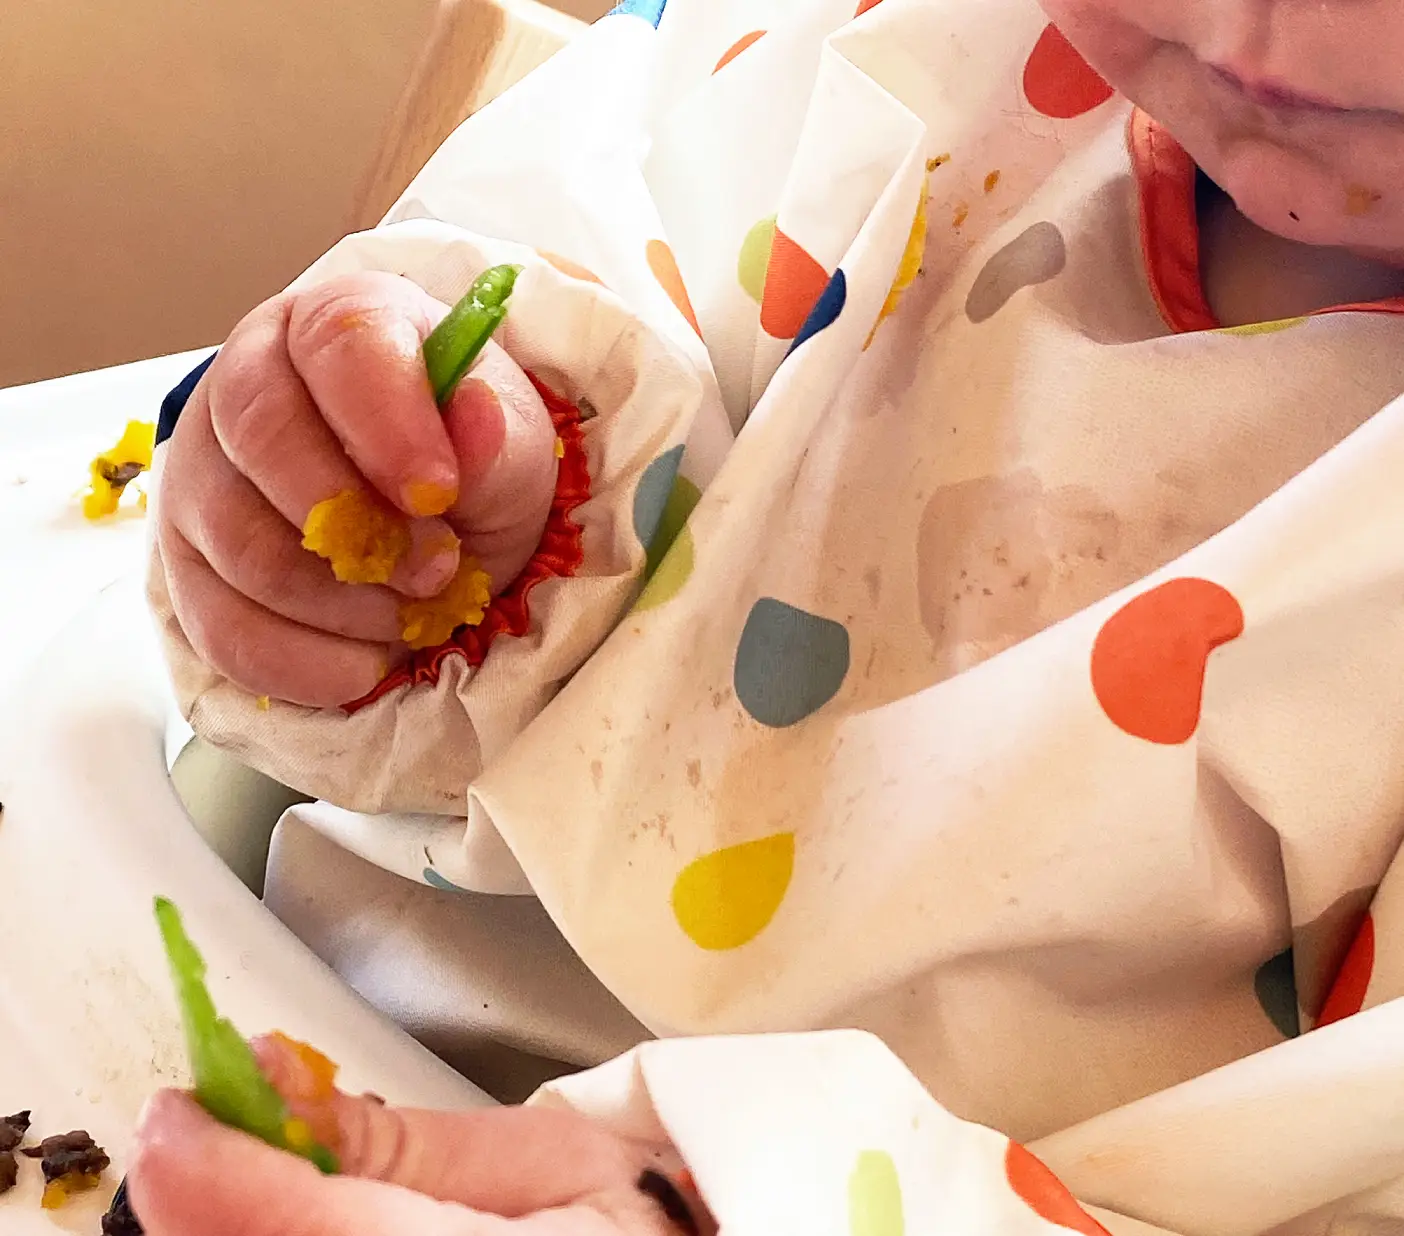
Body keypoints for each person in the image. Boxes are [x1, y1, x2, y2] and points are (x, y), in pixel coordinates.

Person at [137, 0, 1404, 1230]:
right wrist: (420, 484)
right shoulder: (875, 54)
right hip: (329, 1012)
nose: (1253, 26)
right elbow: (572, 235)